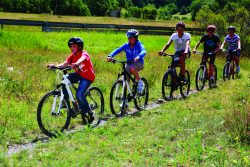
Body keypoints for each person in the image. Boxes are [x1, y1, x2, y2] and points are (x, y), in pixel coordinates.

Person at [48, 37, 95, 123]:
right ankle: (65, 102)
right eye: (70, 46)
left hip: (87, 77)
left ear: (80, 47)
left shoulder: (84, 54)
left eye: (74, 46)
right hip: (79, 75)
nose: (71, 48)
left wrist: (76, 63)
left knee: (79, 94)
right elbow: (64, 64)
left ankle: (89, 112)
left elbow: (83, 59)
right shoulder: (72, 56)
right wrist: (55, 66)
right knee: (64, 79)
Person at [107, 29, 146, 93]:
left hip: (139, 62)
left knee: (132, 68)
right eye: (128, 38)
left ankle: (140, 83)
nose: (129, 39)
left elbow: (144, 51)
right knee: (125, 78)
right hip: (129, 63)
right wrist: (110, 55)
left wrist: (138, 56)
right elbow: (118, 49)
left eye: (131, 38)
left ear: (135, 38)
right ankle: (125, 99)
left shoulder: (139, 44)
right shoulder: (126, 45)